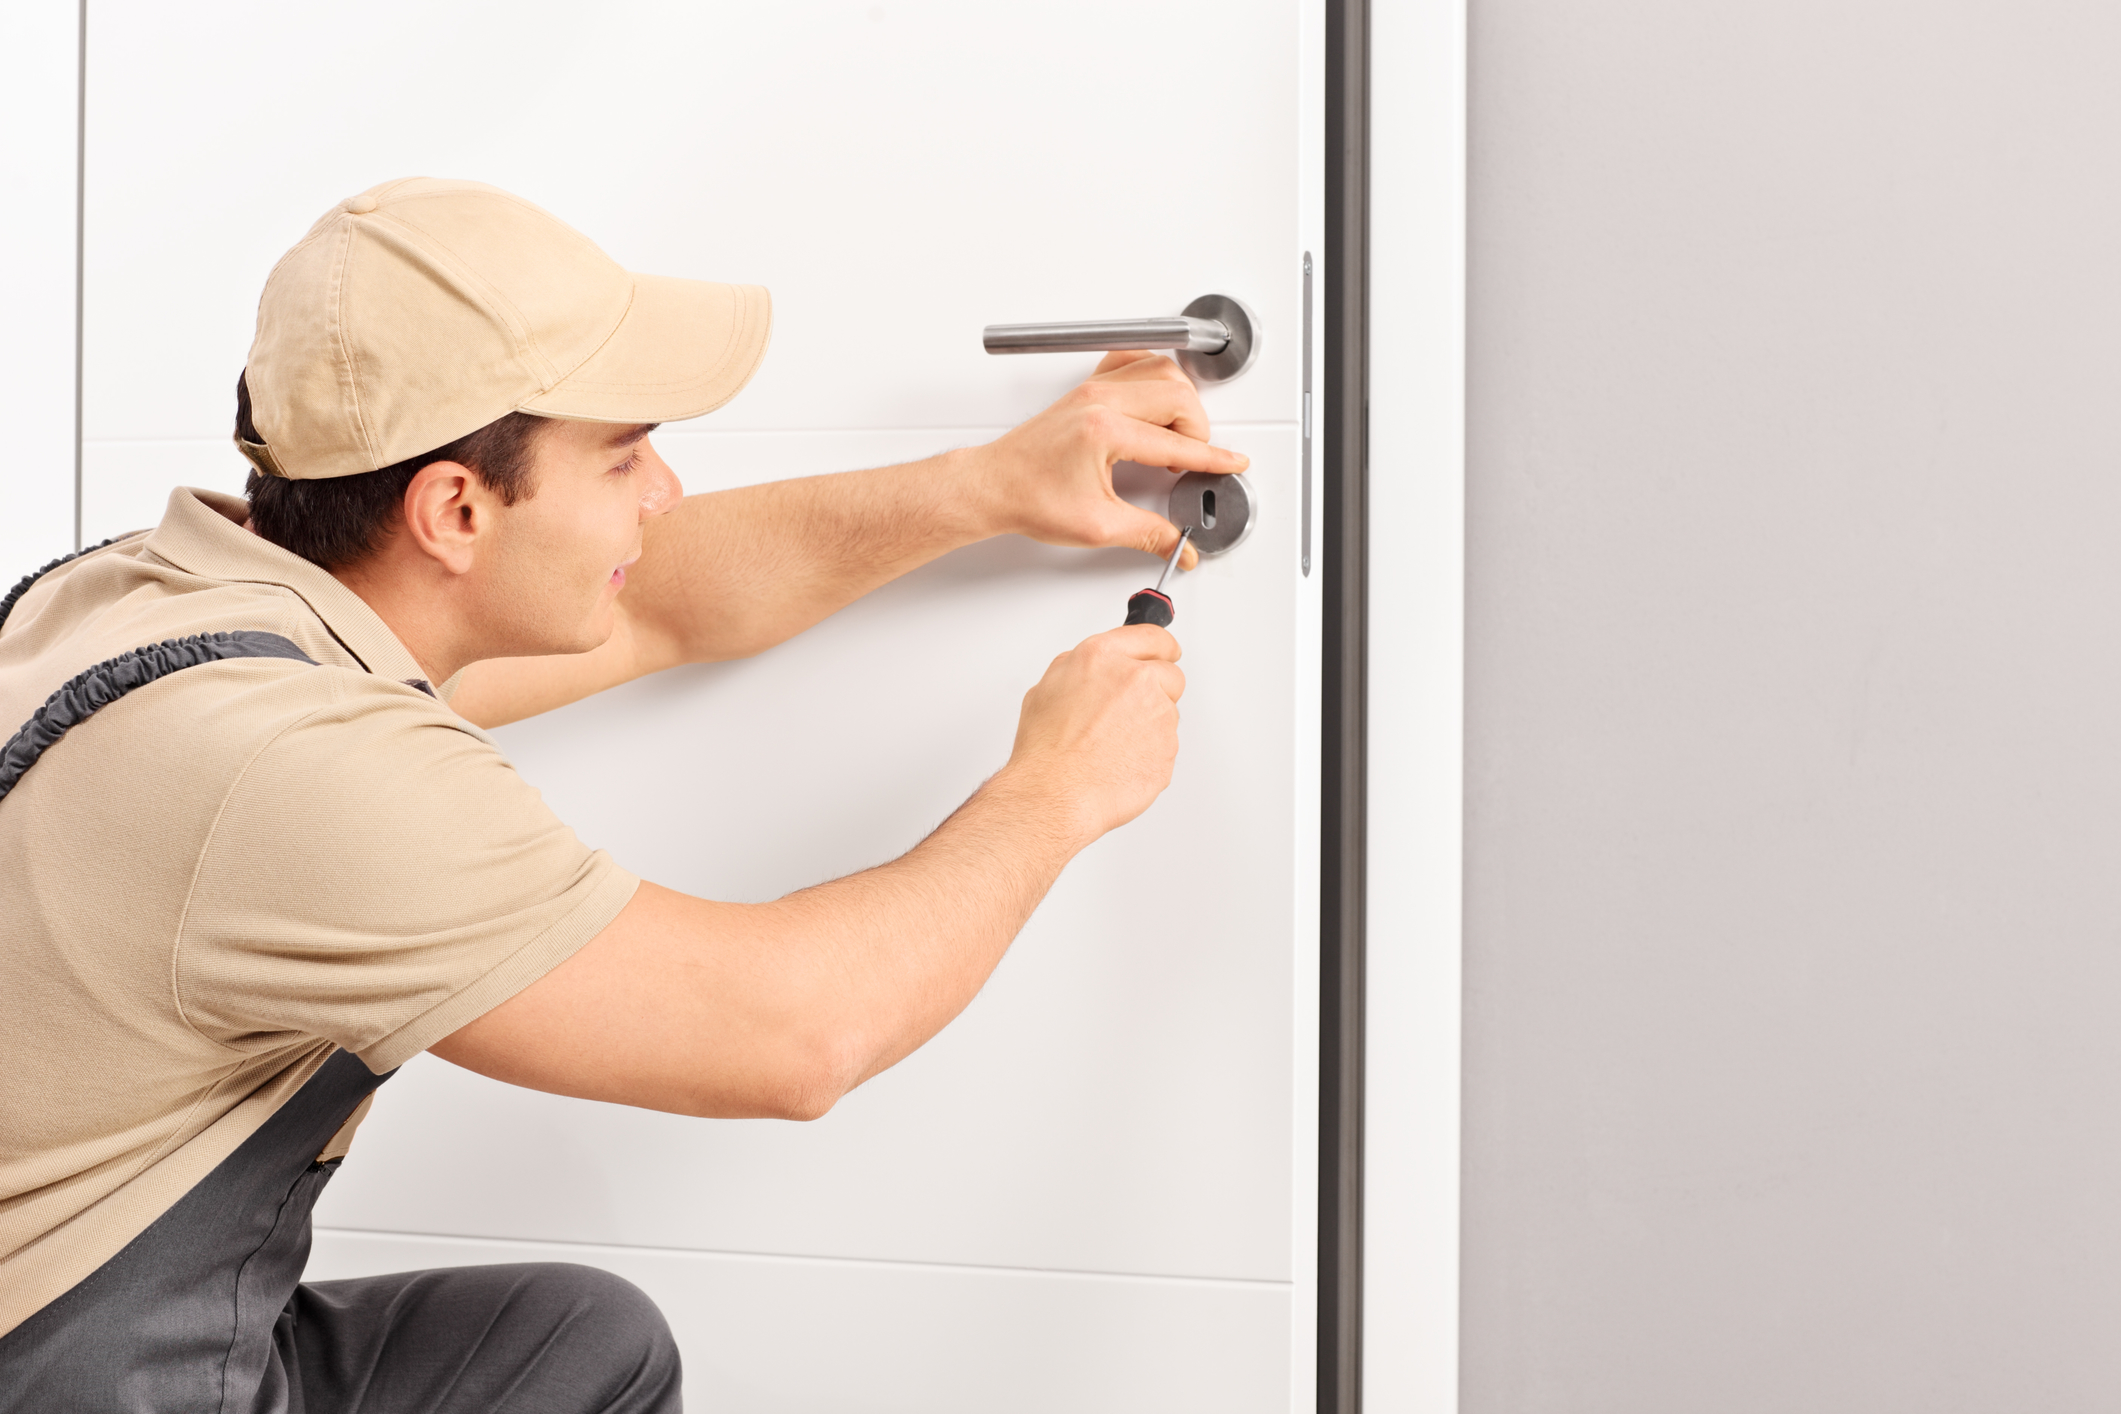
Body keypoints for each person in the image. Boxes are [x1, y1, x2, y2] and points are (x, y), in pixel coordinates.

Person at [0, 177, 1245, 1413]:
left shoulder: (151, 599)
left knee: (571, 1343)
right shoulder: (293, 772)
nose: (664, 493)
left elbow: (654, 598)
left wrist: (989, 485)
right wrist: (1058, 787)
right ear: (456, 508)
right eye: (622, 455)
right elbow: (794, 1035)